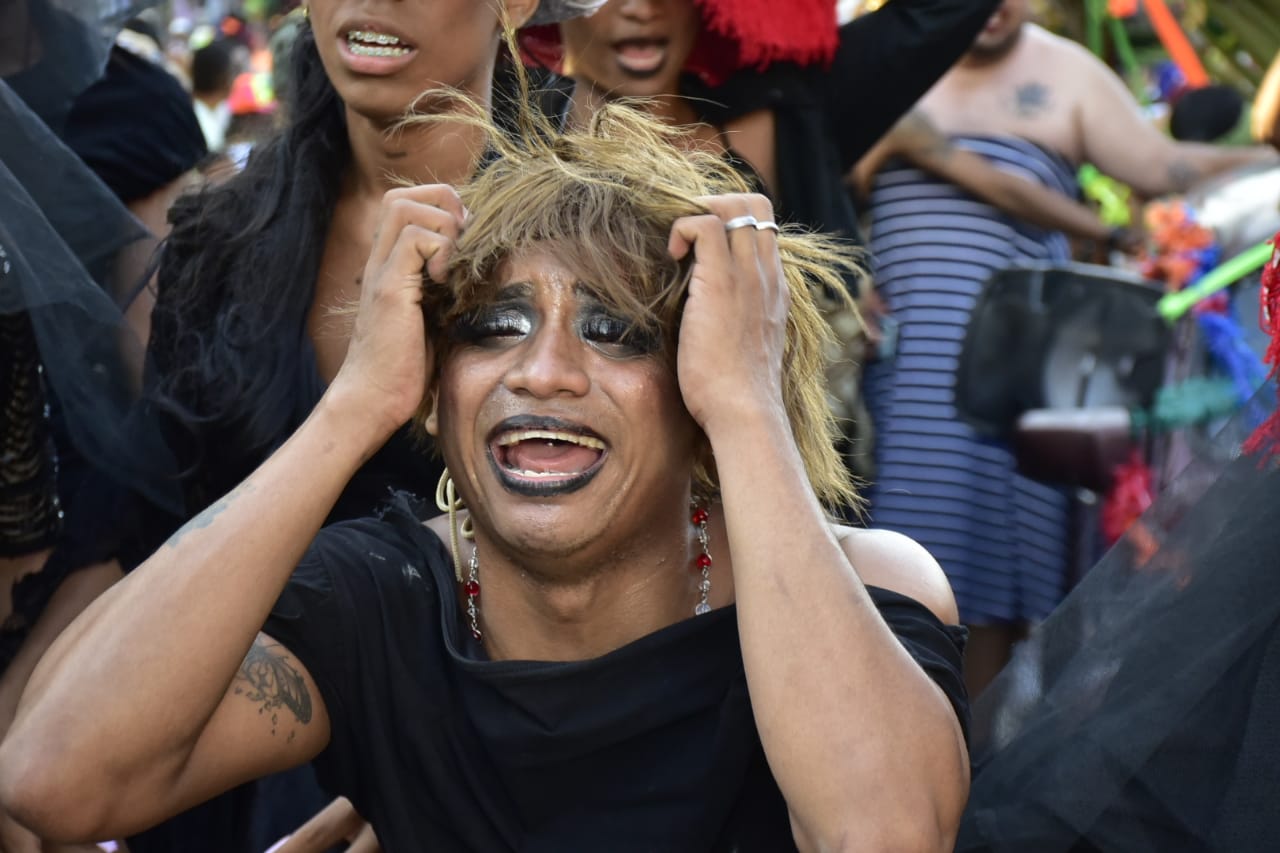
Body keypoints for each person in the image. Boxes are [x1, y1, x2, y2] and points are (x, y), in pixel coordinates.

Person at [0, 91, 971, 852]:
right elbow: (54, 775)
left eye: (617, 333)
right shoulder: (378, 595)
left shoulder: (872, 585)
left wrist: (749, 411)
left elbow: (882, 832)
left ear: (701, 381)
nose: (542, 371)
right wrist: (352, 407)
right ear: (435, 382)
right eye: (491, 328)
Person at [859, 0, 1279, 697]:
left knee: (997, 580)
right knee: (891, 567)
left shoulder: (1068, 75)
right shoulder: (878, 60)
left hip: (1029, 373)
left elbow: (1167, 166)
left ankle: (965, 774)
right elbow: (817, 183)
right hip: (907, 368)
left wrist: (1265, 157)